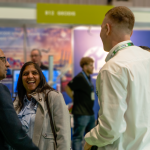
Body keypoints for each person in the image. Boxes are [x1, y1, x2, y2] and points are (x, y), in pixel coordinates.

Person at [84, 6, 150, 150]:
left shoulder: (112, 68)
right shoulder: (147, 58)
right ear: (131, 32)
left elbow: (111, 129)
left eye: (101, 29)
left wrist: (89, 140)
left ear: (107, 29)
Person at [13, 61, 71, 150]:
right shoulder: (16, 103)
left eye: (34, 73)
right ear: (21, 78)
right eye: (25, 74)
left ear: (40, 77)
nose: (30, 76)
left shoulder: (53, 97)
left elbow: (63, 135)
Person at [0, 49, 39, 150]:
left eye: (34, 73)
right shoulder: (2, 92)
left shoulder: (53, 97)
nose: (8, 65)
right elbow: (15, 135)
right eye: (4, 60)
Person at [65, 57, 95, 150]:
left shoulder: (88, 77)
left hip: (90, 113)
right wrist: (74, 98)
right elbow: (67, 88)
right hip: (81, 113)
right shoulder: (79, 77)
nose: (93, 67)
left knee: (92, 138)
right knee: (78, 137)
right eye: (91, 65)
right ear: (85, 67)